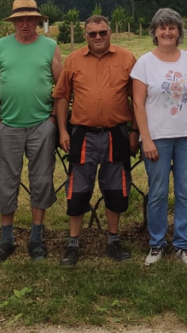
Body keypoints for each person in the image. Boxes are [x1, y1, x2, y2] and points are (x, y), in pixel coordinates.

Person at [52, 15, 138, 266]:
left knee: (115, 189)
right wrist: (63, 131)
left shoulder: (126, 58)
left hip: (116, 134)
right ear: (85, 36)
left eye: (102, 32)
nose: (98, 37)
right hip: (83, 134)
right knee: (78, 190)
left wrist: (135, 131)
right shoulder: (74, 60)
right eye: (92, 34)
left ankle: (113, 240)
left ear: (111, 32)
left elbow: (138, 98)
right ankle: (73, 244)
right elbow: (60, 97)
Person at [0, 0, 63, 263]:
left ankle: (36, 238)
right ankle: (6, 239)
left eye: (31, 19)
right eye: (21, 19)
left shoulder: (50, 47)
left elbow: (61, 86)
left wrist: (53, 118)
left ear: (38, 22)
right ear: (14, 22)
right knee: (6, 181)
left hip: (42, 125)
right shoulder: (0, 46)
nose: (26, 24)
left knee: (41, 180)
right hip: (8, 127)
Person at [131, 8, 187, 267]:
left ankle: (183, 246)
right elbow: (138, 104)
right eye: (162, 27)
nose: (167, 32)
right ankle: (156, 244)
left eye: (172, 27)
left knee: (186, 193)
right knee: (158, 193)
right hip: (157, 139)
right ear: (154, 31)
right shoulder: (144, 63)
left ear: (179, 32)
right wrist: (147, 139)